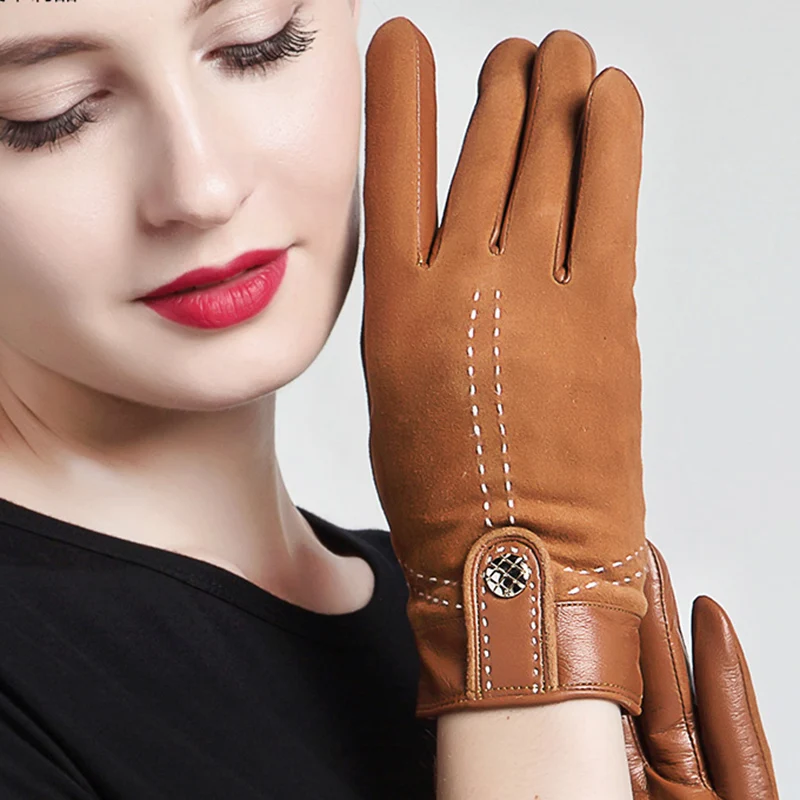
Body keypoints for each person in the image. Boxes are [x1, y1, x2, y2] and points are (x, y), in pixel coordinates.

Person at [0, 1, 779, 798]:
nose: (202, 188)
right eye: (49, 114)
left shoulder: (429, 596)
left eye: (255, 43)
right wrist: (523, 632)